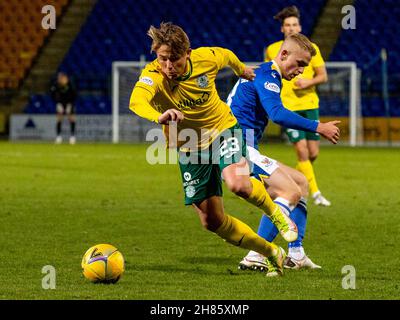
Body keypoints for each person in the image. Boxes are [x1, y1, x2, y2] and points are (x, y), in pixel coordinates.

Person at [129, 22, 302, 277]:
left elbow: (226, 54)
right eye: (162, 58)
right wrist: (159, 115)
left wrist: (241, 69)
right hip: (189, 146)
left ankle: (275, 212)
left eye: (174, 60)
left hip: (223, 129)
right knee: (212, 221)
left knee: (238, 183)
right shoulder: (153, 74)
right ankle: (270, 252)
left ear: (187, 54)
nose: (168, 66)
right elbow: (136, 100)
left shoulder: (204, 58)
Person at [226, 33, 340, 275]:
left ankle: (296, 254)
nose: (300, 70)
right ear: (284, 54)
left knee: (300, 181)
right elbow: (277, 113)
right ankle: (256, 254)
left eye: (305, 67)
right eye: (299, 64)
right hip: (237, 146)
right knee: (290, 191)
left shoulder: (266, 73)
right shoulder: (268, 75)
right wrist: (319, 127)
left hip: (241, 145)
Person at [265, 6, 331, 206]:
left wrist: (307, 83)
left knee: (313, 154)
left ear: (300, 26)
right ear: (282, 29)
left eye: (294, 24)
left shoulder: (312, 48)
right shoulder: (272, 49)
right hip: (289, 107)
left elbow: (323, 76)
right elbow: (270, 74)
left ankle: (291, 178)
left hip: (310, 104)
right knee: (302, 151)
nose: (291, 28)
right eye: (287, 25)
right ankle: (316, 193)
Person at [50, 72, 77, 144]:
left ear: (65, 78)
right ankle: (58, 137)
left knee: (71, 119)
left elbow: (74, 95)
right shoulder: (56, 85)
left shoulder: (70, 85)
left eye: (61, 78)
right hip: (60, 103)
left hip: (69, 103)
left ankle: (72, 137)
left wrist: (70, 104)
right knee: (59, 119)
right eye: (59, 78)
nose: (60, 79)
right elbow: (52, 95)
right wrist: (58, 103)